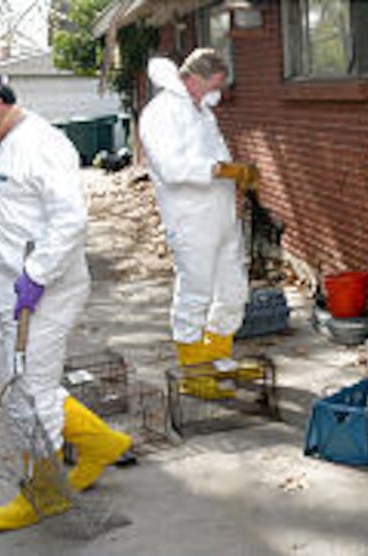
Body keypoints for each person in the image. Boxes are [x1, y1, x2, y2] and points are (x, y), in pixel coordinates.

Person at [0, 64, 132, 534]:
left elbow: (69, 221)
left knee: (31, 393)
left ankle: (41, 495)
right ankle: (100, 443)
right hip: (12, 292)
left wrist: (36, 274)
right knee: (21, 379)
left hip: (46, 292)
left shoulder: (45, 146)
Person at [139, 48, 256, 377]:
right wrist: (220, 170)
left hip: (221, 215)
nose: (214, 94)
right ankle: (192, 369)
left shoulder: (202, 111)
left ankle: (218, 355)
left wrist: (235, 181)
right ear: (191, 78)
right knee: (196, 290)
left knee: (233, 288)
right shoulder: (161, 112)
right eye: (211, 85)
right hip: (189, 217)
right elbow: (170, 167)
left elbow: (218, 154)